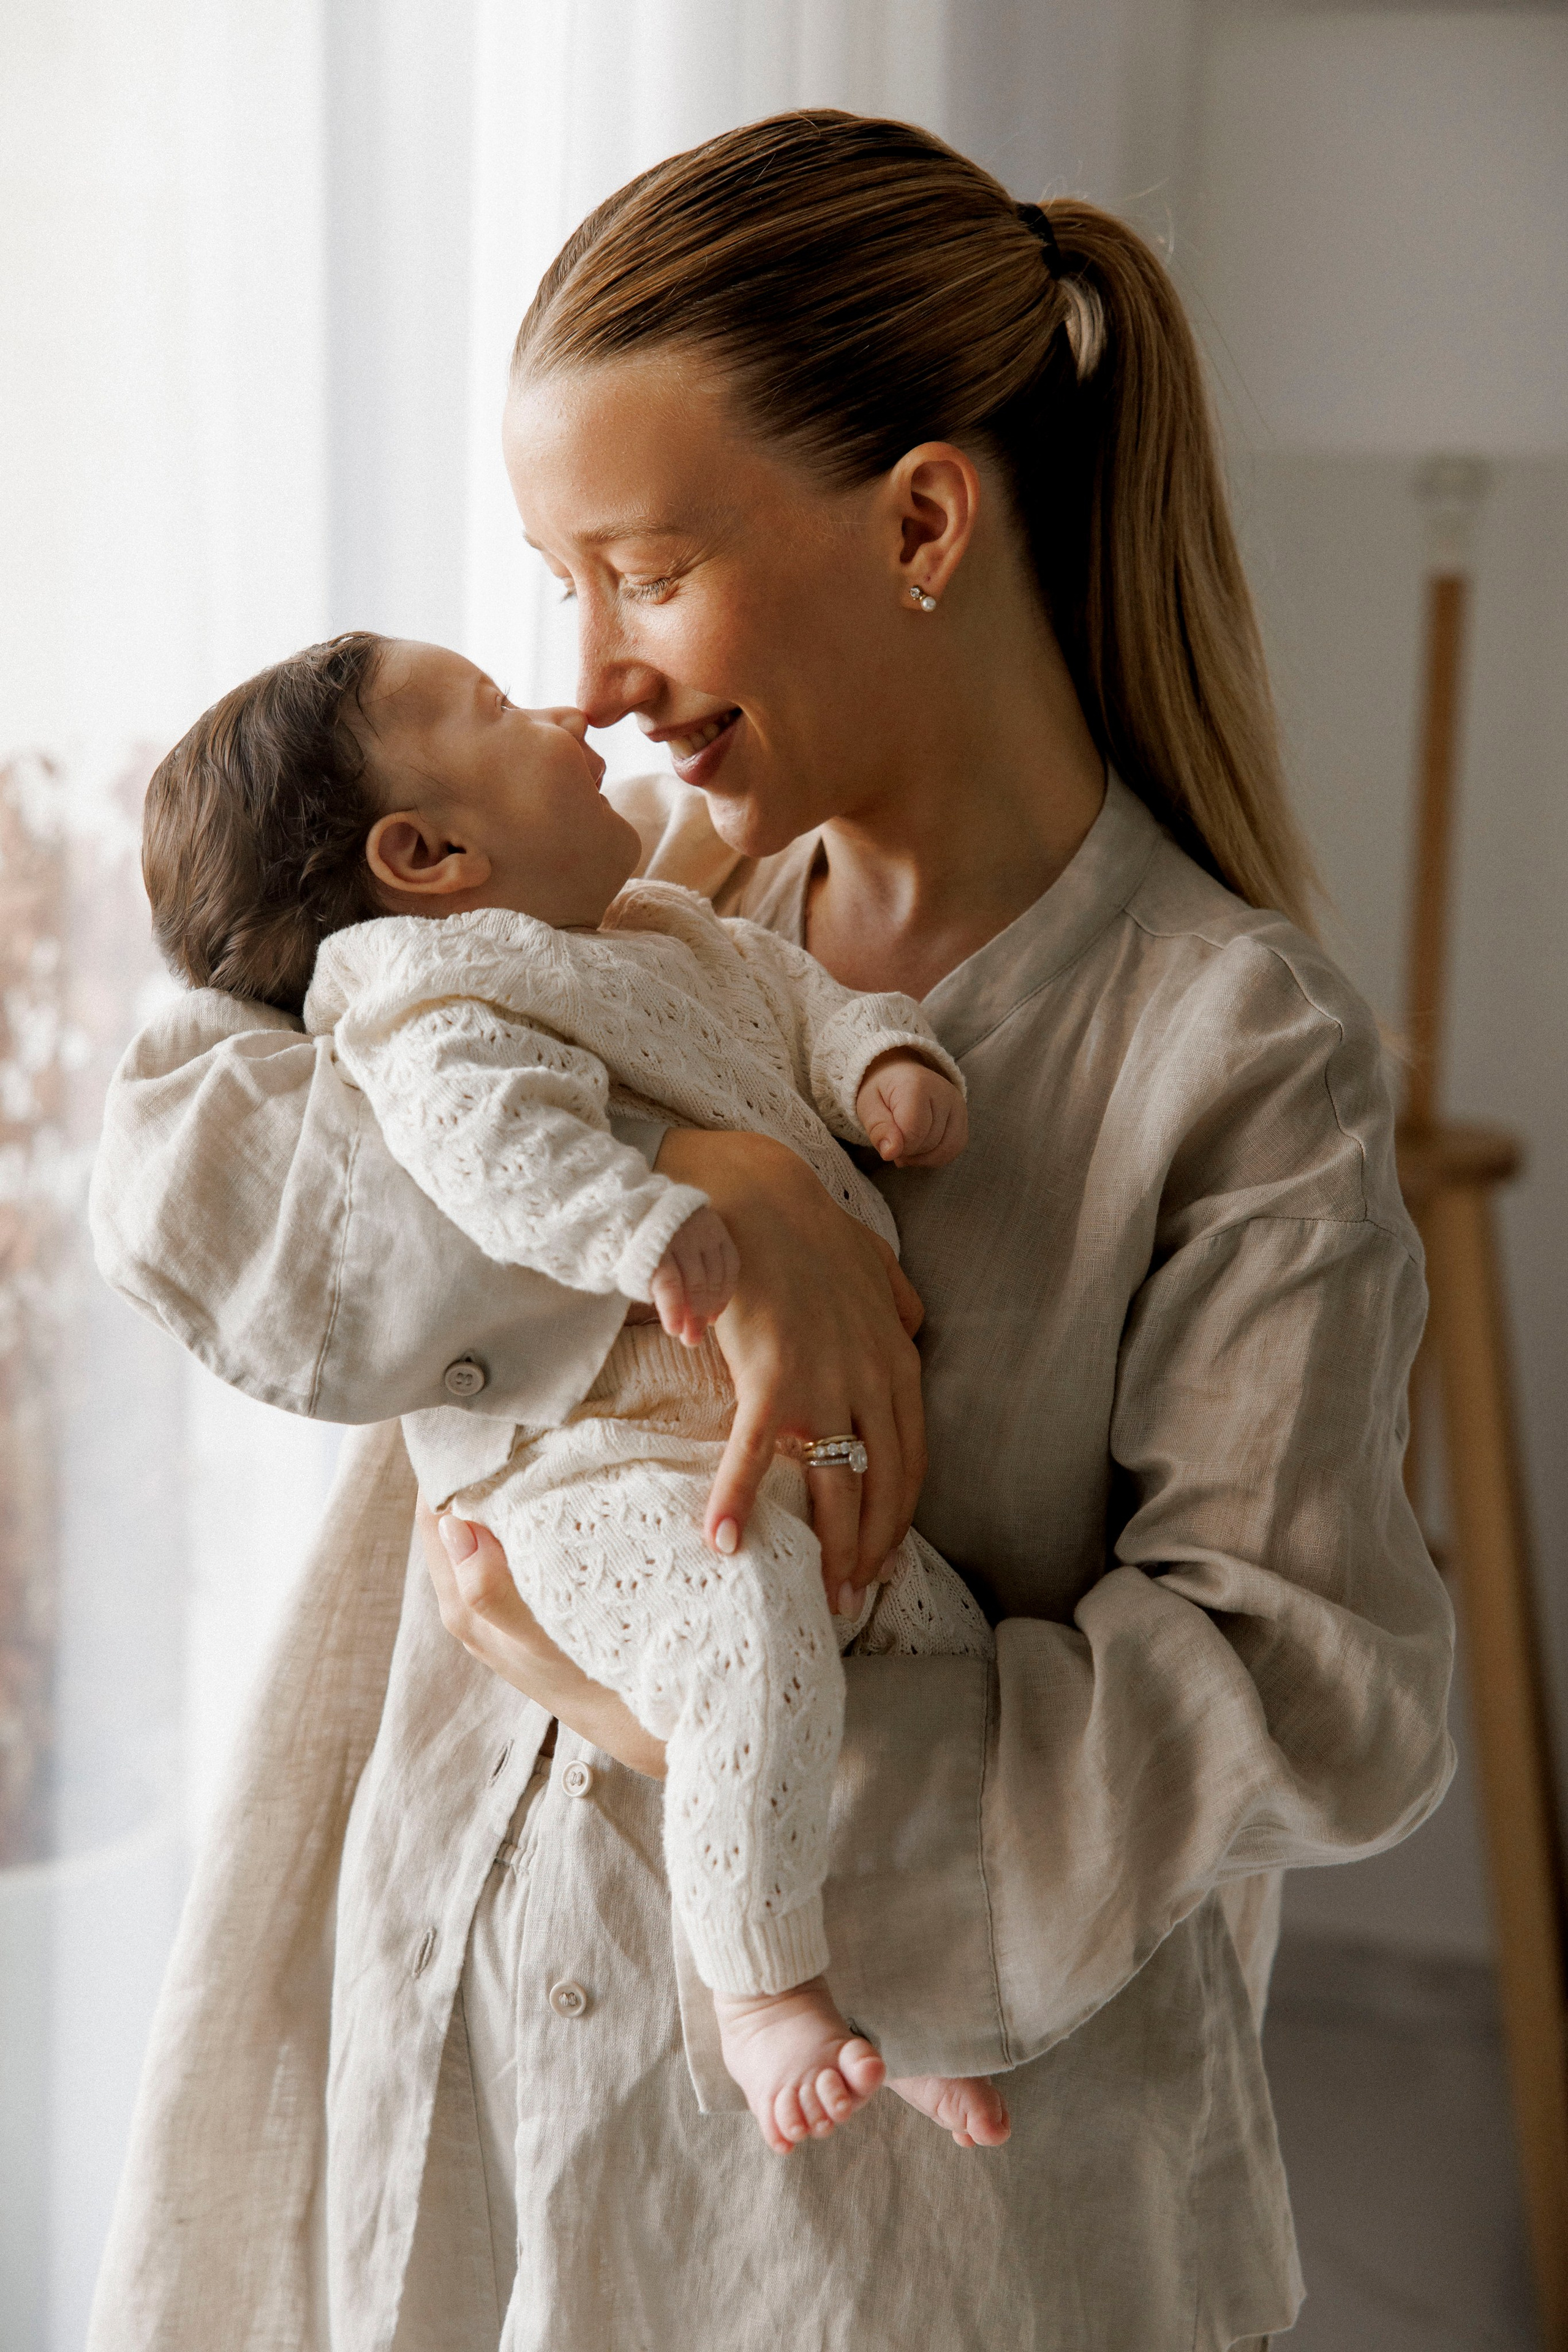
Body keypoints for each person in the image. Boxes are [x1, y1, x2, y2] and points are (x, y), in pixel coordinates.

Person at [88, 112, 1453, 2352]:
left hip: (890, 2241)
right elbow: (193, 1141)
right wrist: (728, 1190)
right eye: (559, 591)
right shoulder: (633, 898)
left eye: (641, 574)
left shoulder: (1226, 1053)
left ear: (921, 522)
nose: (592, 679)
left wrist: (653, 1711)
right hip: (472, 2100)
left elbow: (1319, 1707)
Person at [137, 625, 997, 2150]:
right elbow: (480, 1139)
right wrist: (646, 1212)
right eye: (493, 705)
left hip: (778, 1465)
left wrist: (877, 1060)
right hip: (595, 1473)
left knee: (944, 1657)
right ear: (427, 854)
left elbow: (791, 997)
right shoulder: (422, 988)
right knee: (743, 1629)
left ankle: (904, 1996)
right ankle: (764, 1993)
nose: (570, 705)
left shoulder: (662, 922)